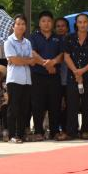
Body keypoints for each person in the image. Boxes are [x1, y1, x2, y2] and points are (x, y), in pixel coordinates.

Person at [64, 13, 88, 140]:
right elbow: (66, 56)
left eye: (85, 22)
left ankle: (86, 130)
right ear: (76, 23)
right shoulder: (69, 38)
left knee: (86, 103)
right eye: (80, 22)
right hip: (72, 75)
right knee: (72, 103)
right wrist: (75, 71)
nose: (82, 24)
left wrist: (82, 71)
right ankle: (71, 131)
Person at [30, 11, 65, 140]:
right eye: (43, 21)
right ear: (39, 23)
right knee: (38, 104)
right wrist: (47, 64)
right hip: (38, 75)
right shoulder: (33, 37)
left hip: (54, 76)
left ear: (52, 23)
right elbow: (32, 53)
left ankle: (54, 131)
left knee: (54, 104)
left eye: (49, 21)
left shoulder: (58, 38)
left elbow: (62, 54)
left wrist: (54, 62)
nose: (46, 23)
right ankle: (38, 131)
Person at [3, 15, 35, 144]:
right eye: (18, 24)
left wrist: (21, 60)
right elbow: (13, 60)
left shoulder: (27, 42)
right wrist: (24, 60)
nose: (21, 26)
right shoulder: (9, 42)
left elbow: (32, 61)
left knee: (24, 108)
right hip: (14, 79)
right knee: (13, 108)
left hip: (27, 80)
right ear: (13, 26)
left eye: (23, 24)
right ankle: (12, 134)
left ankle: (20, 134)